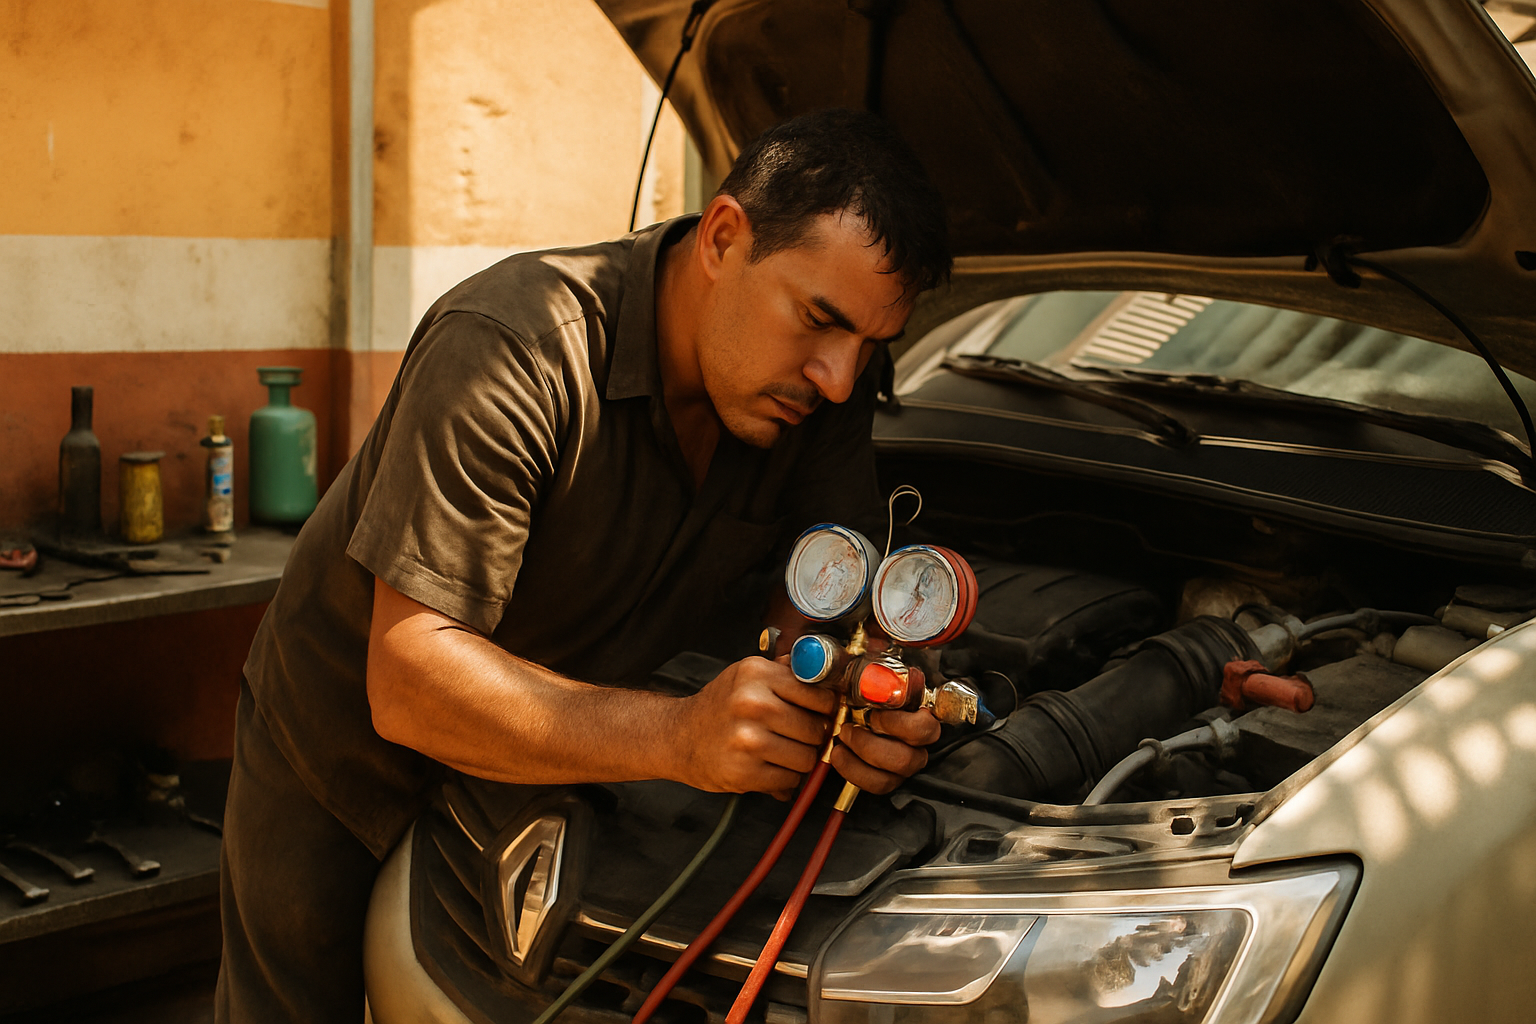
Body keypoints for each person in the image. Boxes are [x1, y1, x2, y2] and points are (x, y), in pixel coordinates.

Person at [216, 107, 952, 1023]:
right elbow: (408, 681)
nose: (839, 377)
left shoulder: (821, 392)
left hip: (563, 757)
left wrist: (863, 701)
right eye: (818, 320)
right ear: (724, 237)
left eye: (871, 347)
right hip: (343, 758)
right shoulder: (512, 346)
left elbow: (831, 596)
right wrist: (680, 737)